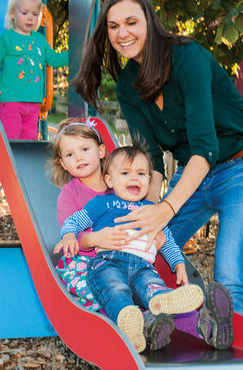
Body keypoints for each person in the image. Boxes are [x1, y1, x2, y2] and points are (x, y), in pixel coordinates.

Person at [72, 0, 243, 316]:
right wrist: (143, 213)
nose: (122, 33)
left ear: (149, 22)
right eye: (113, 25)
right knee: (140, 246)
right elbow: (148, 161)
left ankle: (233, 355)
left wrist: (165, 208)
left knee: (228, 275)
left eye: (131, 22)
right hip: (190, 176)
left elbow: (206, 147)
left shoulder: (187, 59)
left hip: (236, 168)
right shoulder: (127, 85)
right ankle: (142, 315)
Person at [60, 143, 233, 353]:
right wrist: (69, 235)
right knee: (115, 289)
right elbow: (74, 221)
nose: (134, 178)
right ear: (109, 180)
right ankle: (130, 319)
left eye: (141, 174)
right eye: (125, 173)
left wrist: (178, 264)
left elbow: (167, 239)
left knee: (152, 286)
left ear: (149, 181)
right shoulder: (101, 203)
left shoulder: (152, 209)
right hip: (108, 262)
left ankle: (162, 302)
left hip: (143, 266)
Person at [49, 118, 176, 351]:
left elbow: (149, 221)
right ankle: (137, 321)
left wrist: (155, 240)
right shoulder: (69, 195)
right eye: (69, 155)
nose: (78, 157)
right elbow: (70, 234)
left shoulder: (124, 182)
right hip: (87, 260)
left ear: (101, 151)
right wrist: (95, 239)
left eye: (85, 149)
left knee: (145, 281)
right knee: (107, 287)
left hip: (128, 258)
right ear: (63, 163)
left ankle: (195, 323)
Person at [0, 0, 69, 140]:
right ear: (12, 14)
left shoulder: (39, 39)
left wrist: (76, 52)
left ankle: (22, 164)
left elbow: (54, 59)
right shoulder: (6, 38)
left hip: (33, 103)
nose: (30, 18)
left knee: (28, 143)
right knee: (11, 143)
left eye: (34, 14)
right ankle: (9, 163)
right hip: (11, 102)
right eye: (25, 13)